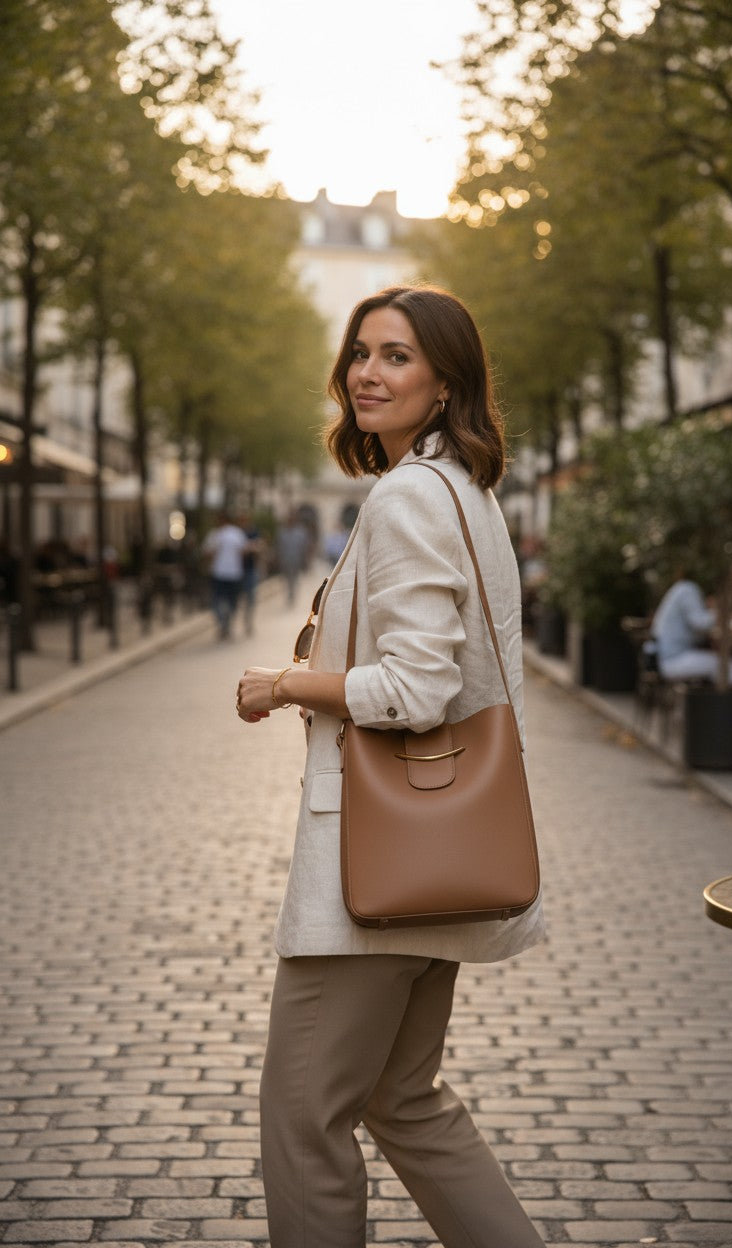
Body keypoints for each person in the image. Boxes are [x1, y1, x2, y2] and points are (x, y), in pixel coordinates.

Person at [235, 286, 547, 1247]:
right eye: (362, 352)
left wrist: (287, 682)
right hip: (437, 854)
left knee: (302, 1117)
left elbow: (416, 689)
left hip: (373, 866)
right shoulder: (464, 490)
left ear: (445, 379)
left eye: (398, 356)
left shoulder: (412, 494)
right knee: (403, 1100)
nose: (369, 372)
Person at [651, 570, 732, 685]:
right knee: (731, 664)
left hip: (667, 656)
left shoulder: (681, 588)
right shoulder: (688, 590)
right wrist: (720, 612)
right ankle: (727, 701)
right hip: (672, 659)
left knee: (719, 659)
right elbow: (700, 623)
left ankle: (715, 699)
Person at [202, 512, 248, 640]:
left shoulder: (218, 534)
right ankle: (225, 622)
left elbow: (207, 552)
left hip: (222, 573)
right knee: (229, 600)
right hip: (231, 573)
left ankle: (224, 622)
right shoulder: (234, 533)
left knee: (220, 600)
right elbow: (243, 551)